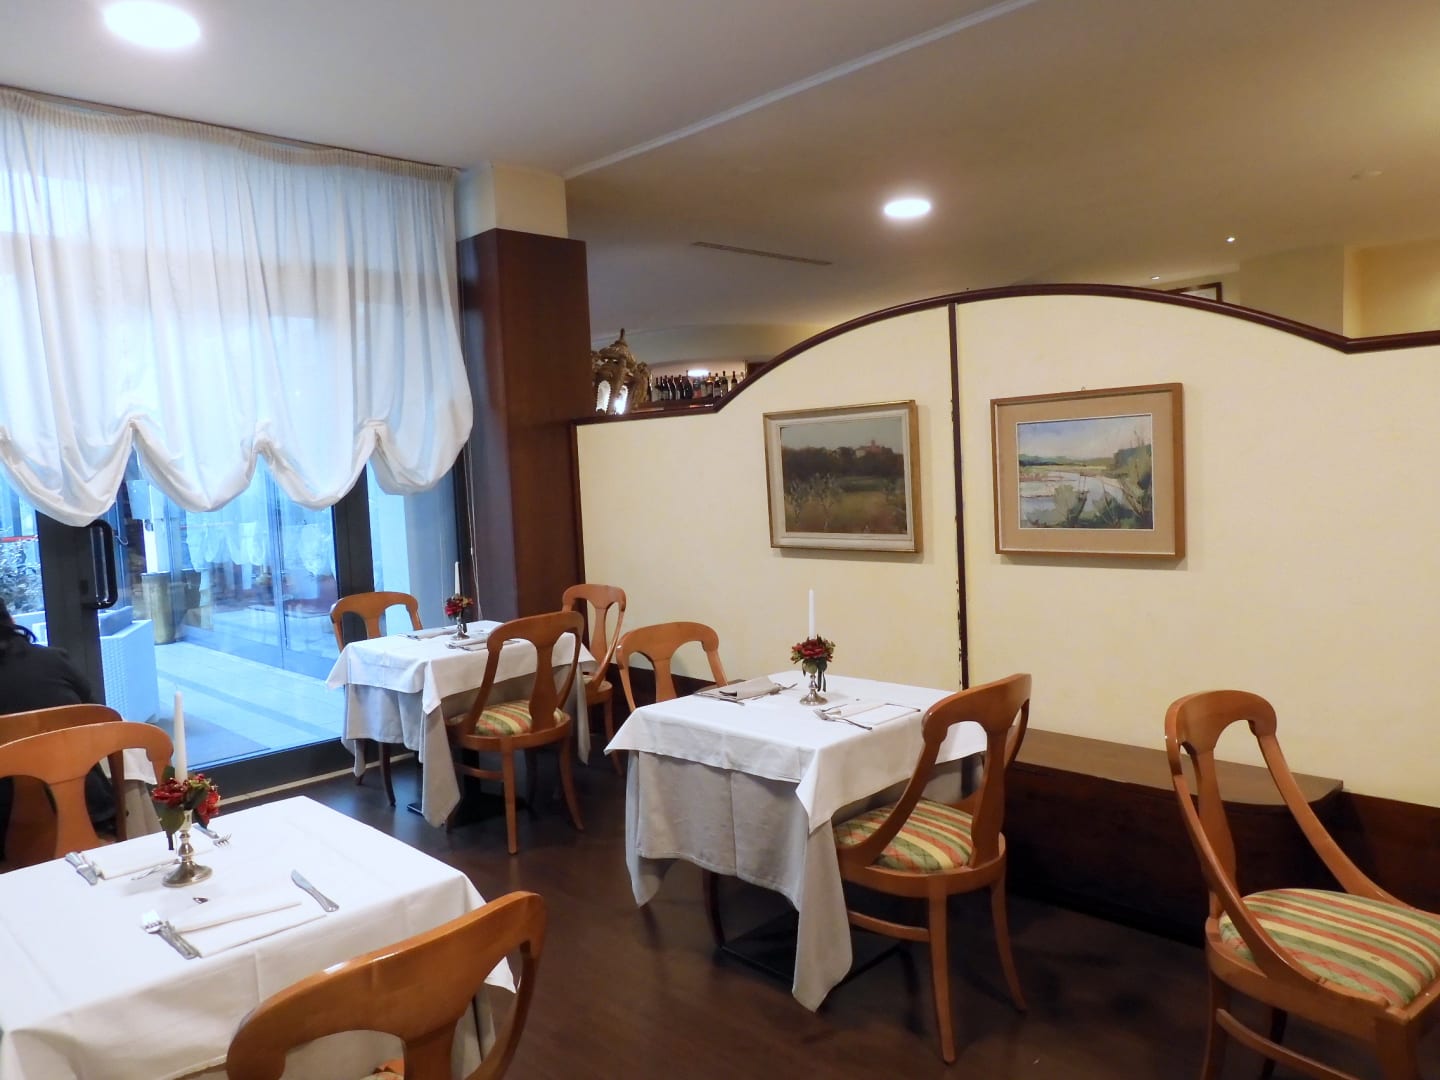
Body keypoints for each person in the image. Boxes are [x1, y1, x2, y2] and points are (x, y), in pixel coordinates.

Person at [0, 596, 116, 859]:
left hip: (7, 829)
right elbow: (95, 717)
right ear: (10, 619)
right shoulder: (54, 660)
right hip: (89, 810)